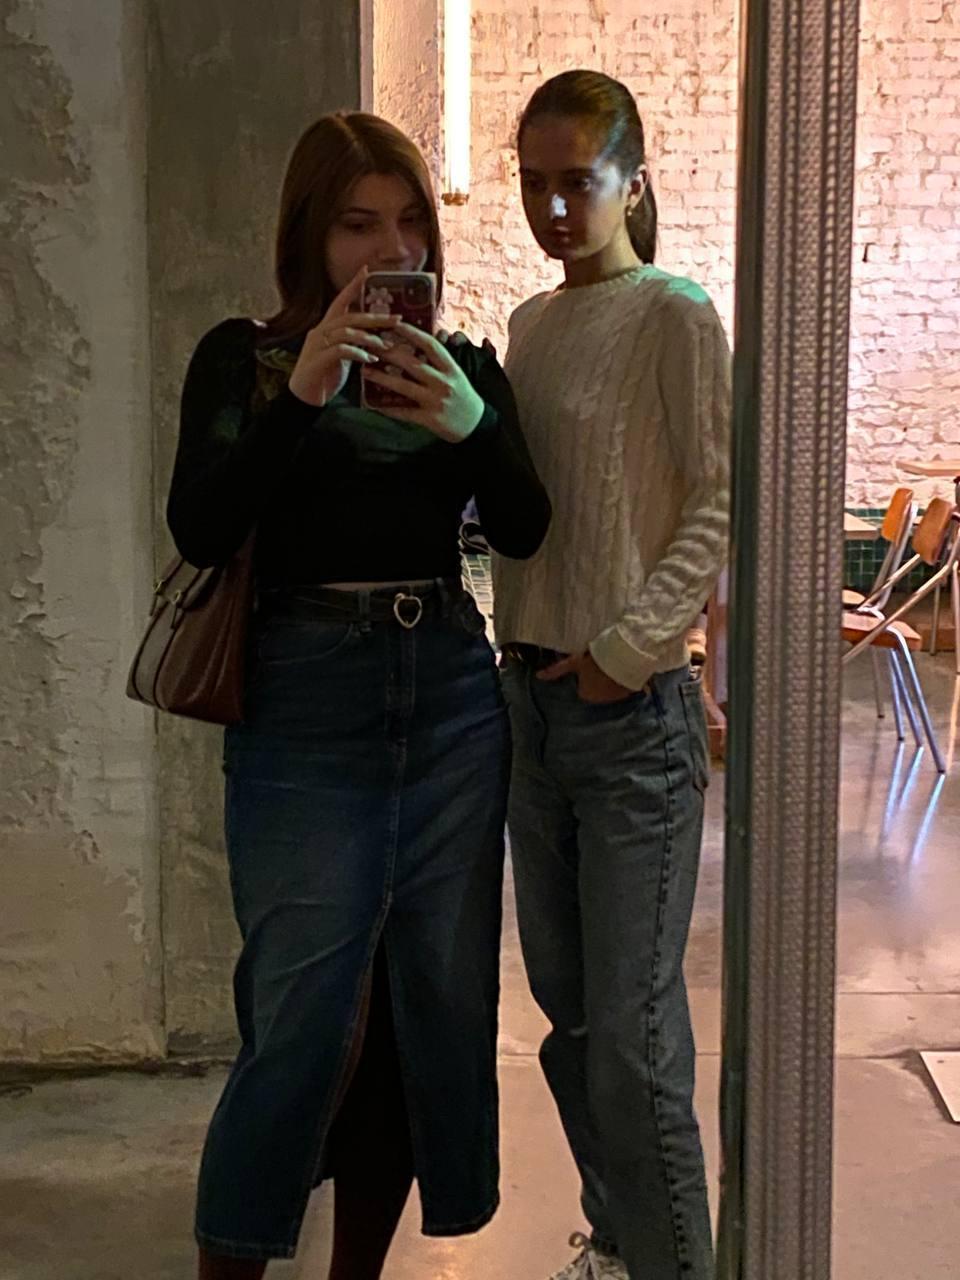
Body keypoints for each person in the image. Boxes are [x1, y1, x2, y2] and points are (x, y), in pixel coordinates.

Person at [166, 110, 551, 1280]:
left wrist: (472, 425)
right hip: (303, 703)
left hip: (448, 700)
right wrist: (302, 394)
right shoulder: (243, 358)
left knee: (418, 1019)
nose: (392, 251)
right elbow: (200, 526)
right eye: (357, 225)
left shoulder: (462, 364)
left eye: (409, 224)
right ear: (308, 235)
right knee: (297, 1020)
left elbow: (525, 524)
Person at [491, 70, 731, 1280]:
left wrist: (627, 651)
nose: (553, 207)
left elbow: (721, 500)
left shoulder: (674, 314)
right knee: (574, 1024)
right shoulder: (531, 327)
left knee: (634, 1044)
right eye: (532, 181)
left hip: (631, 717)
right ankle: (625, 1243)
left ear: (633, 180)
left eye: (576, 181)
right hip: (528, 711)